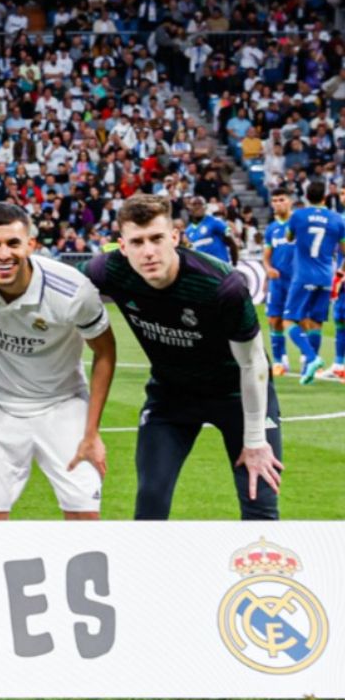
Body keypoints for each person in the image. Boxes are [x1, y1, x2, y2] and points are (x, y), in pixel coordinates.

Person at [84, 194, 282, 520]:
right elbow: (54, 285)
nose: (148, 251)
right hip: (171, 396)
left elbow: (253, 363)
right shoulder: (108, 271)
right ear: (122, 246)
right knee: (150, 501)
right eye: (137, 242)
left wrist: (256, 439)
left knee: (259, 502)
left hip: (238, 396)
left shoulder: (221, 285)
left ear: (174, 237)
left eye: (157, 238)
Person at [0, 203, 116, 520]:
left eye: (13, 243)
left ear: (31, 244)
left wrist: (91, 433)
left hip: (63, 405)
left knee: (85, 515)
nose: (3, 254)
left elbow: (105, 352)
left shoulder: (72, 291)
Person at [284, 180, 345, 384]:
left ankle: (311, 358)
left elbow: (289, 237)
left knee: (289, 320)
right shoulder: (337, 219)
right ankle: (307, 372)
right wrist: (340, 270)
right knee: (315, 323)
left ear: (306, 197)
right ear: (325, 198)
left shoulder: (298, 216)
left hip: (304, 275)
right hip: (326, 276)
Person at [264, 187, 295, 376]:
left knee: (303, 320)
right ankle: (279, 361)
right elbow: (266, 256)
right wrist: (268, 269)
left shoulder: (298, 223)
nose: (278, 204)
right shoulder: (271, 229)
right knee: (274, 319)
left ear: (290, 201)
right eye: (274, 200)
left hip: (298, 281)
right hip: (278, 282)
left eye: (281, 199)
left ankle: (308, 359)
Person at [183, 196, 235, 264]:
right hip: (203, 268)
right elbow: (192, 249)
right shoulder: (188, 230)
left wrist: (234, 262)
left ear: (205, 207)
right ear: (189, 208)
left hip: (219, 266)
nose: (197, 206)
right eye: (194, 204)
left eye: (200, 204)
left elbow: (228, 231)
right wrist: (186, 244)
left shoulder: (215, 221)